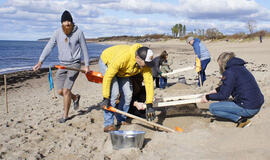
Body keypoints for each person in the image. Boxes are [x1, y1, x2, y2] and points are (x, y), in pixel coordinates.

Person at [33, 10, 90, 123]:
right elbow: (49, 46)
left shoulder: (79, 32)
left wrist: (87, 65)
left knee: (66, 90)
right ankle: (75, 98)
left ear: (72, 22)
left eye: (69, 21)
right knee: (60, 91)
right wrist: (40, 61)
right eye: (65, 21)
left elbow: (84, 49)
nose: (67, 23)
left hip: (74, 64)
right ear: (61, 23)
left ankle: (65, 116)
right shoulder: (57, 33)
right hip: (62, 65)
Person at [98, 44, 156, 132]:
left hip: (123, 70)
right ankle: (108, 123)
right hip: (107, 62)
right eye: (146, 63)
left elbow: (149, 82)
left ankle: (121, 119)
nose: (147, 66)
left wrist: (149, 104)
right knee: (114, 93)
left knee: (128, 94)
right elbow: (108, 76)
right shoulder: (123, 58)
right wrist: (105, 97)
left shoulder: (144, 63)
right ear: (137, 58)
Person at [201, 52, 264, 128]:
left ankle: (241, 120)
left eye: (219, 65)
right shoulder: (240, 67)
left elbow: (224, 96)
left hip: (249, 108)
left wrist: (207, 97)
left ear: (223, 63)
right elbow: (229, 84)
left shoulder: (229, 72)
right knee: (226, 102)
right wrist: (216, 90)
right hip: (257, 103)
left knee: (212, 108)